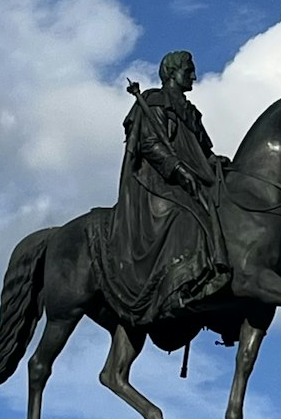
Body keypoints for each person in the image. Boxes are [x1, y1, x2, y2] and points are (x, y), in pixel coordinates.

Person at [90, 51, 231, 341]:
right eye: (189, 70)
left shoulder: (191, 112)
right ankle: (178, 287)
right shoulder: (154, 102)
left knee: (218, 206)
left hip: (187, 178)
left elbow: (201, 151)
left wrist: (214, 162)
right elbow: (150, 144)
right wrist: (178, 169)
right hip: (154, 179)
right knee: (183, 214)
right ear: (171, 73)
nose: (193, 75)